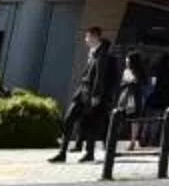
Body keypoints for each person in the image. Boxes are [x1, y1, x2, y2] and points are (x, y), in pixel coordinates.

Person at [50, 25, 120, 163]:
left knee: (91, 124)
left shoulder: (102, 55)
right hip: (82, 93)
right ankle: (62, 152)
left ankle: (89, 153)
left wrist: (97, 95)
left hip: (91, 95)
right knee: (69, 119)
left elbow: (99, 76)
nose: (85, 40)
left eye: (87, 37)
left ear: (94, 37)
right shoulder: (93, 52)